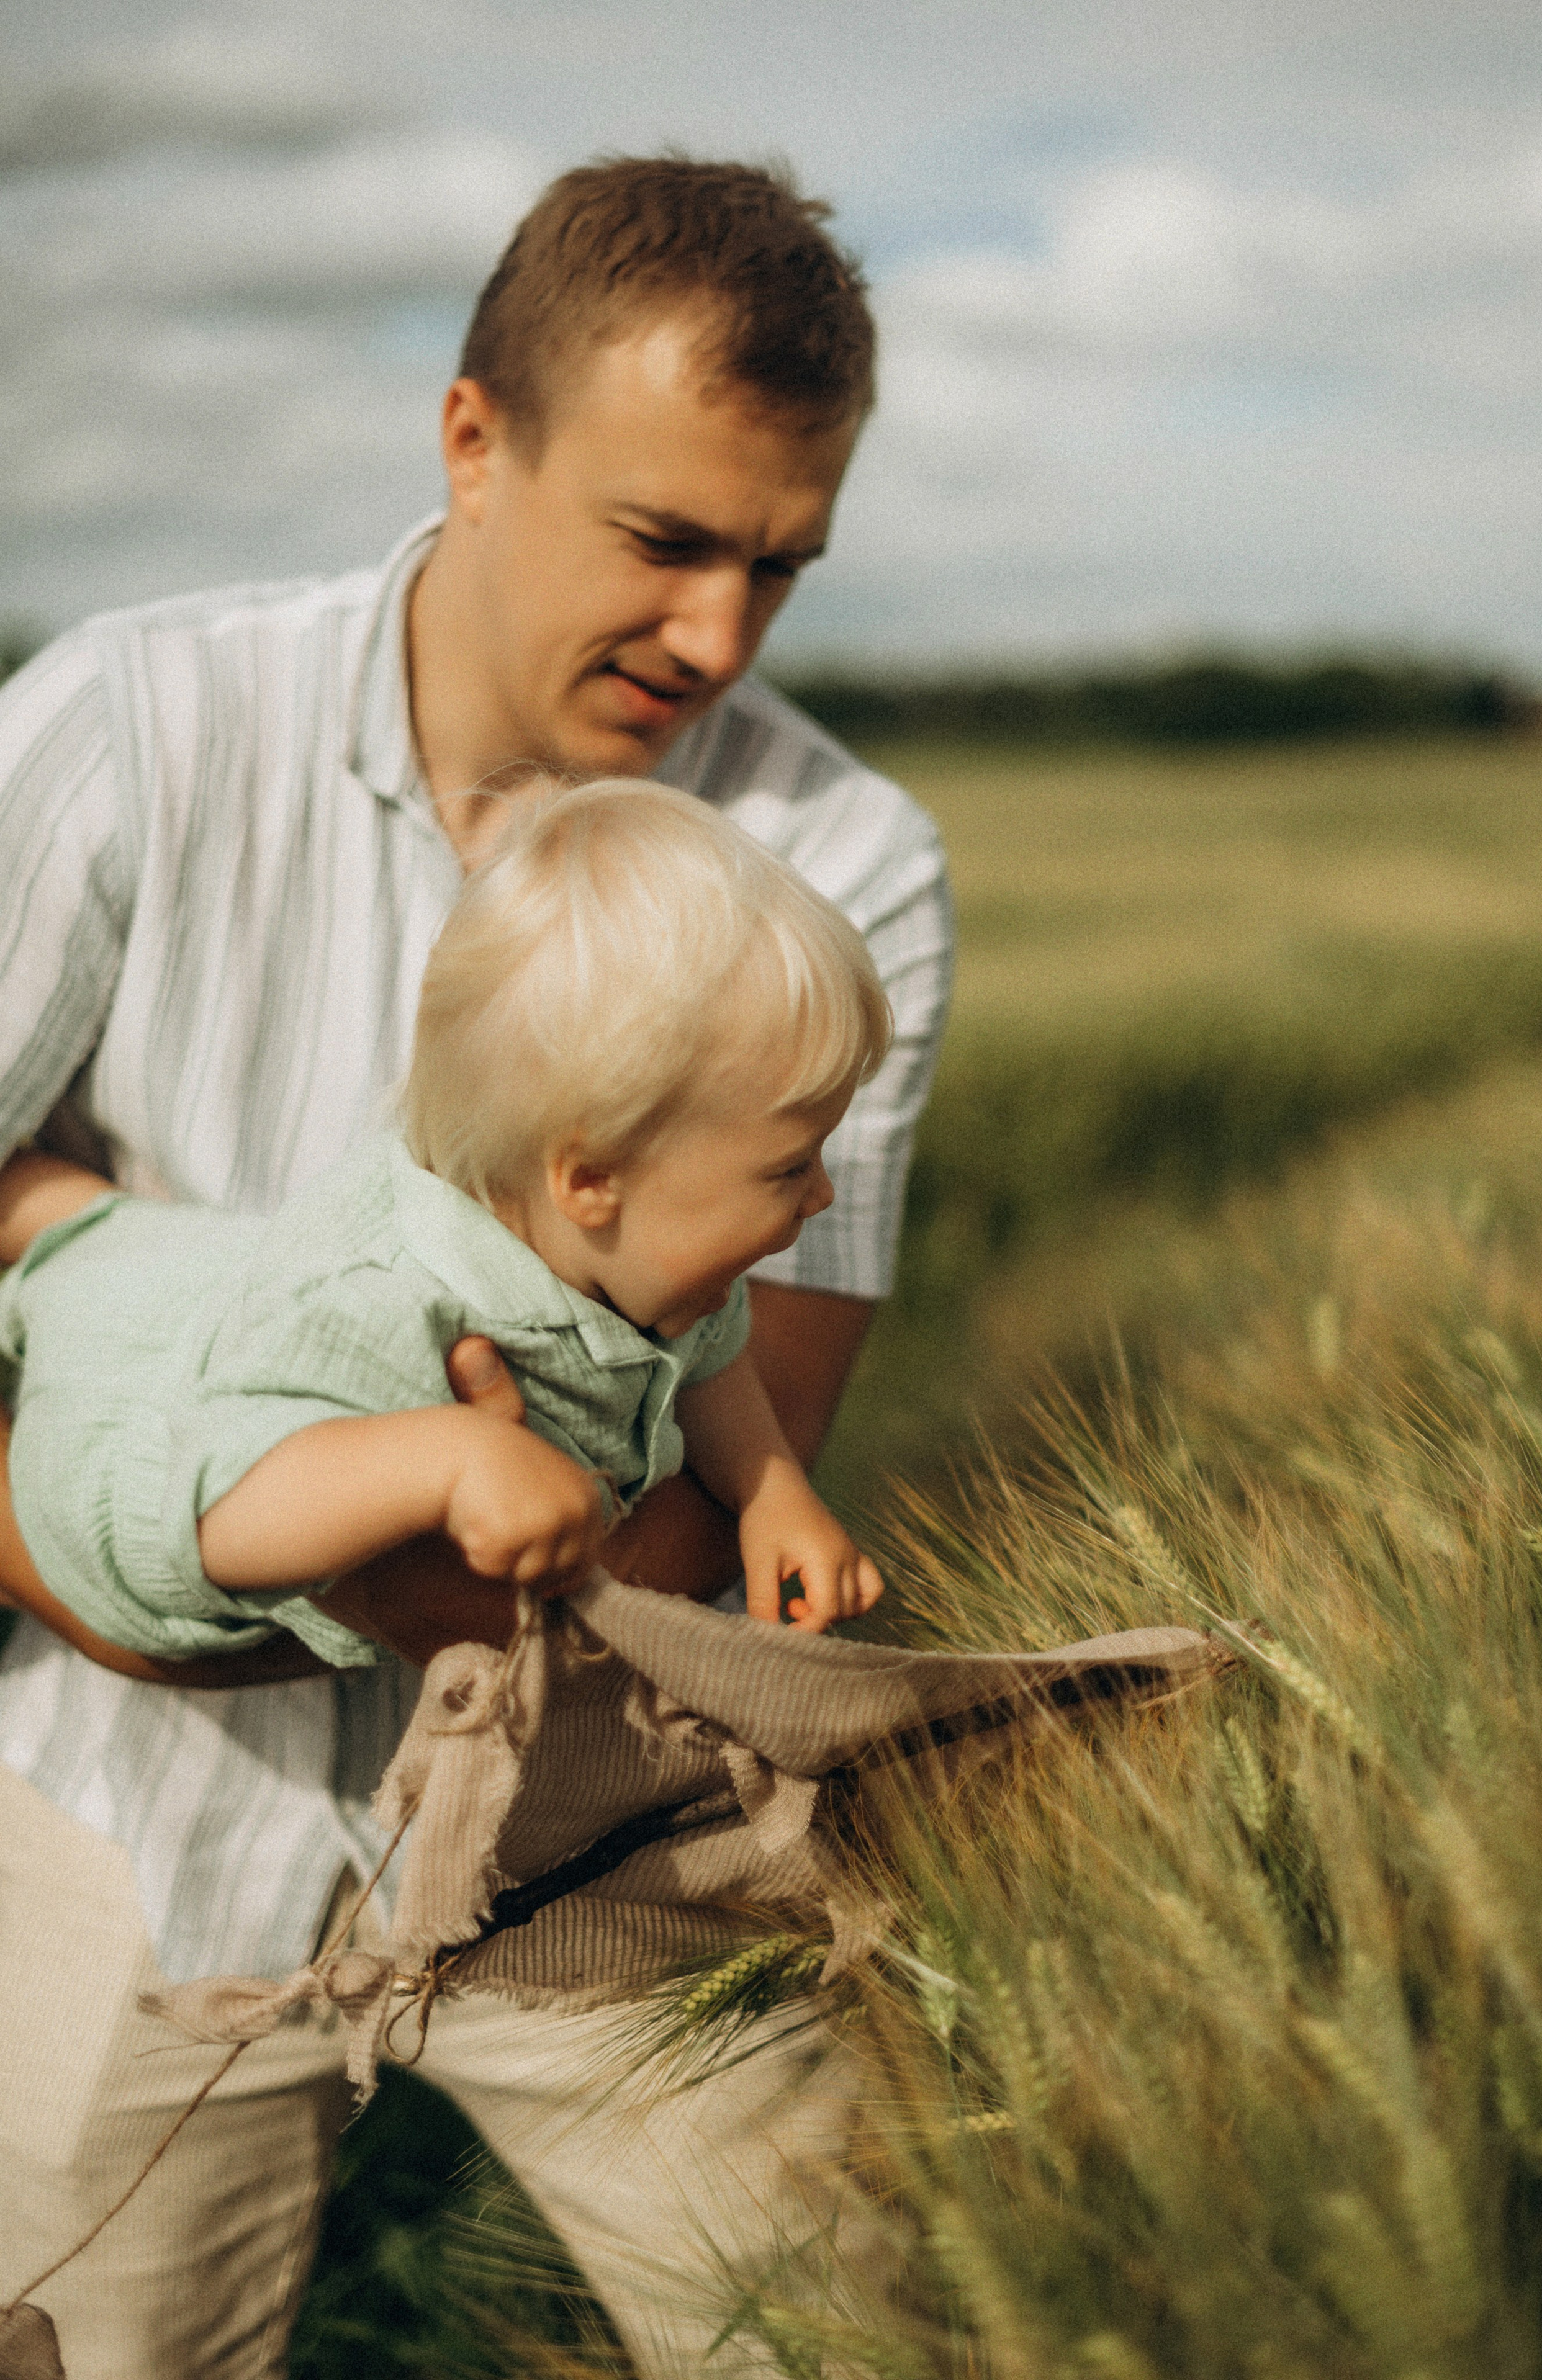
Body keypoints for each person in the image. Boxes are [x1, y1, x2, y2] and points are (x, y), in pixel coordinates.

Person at [0, 156, 953, 2377]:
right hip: (128, 1819)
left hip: (602, 1819)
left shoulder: (843, 862)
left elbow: (727, 1439)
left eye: (780, 567)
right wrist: (87, 1546)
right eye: (665, 540)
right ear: (471, 442)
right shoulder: (132, 729)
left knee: (860, 2333)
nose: (719, 639)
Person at [0, 783, 891, 1663]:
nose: (822, 1196)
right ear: (589, 1179)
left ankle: (67, 1221)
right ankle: (38, 1213)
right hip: (136, 1423)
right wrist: (451, 1461)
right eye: (787, 1168)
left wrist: (768, 1494)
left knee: (158, 1255)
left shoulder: (653, 1263)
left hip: (215, 1289)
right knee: (89, 1285)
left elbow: (708, 1361)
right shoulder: (377, 1311)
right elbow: (216, 1514)